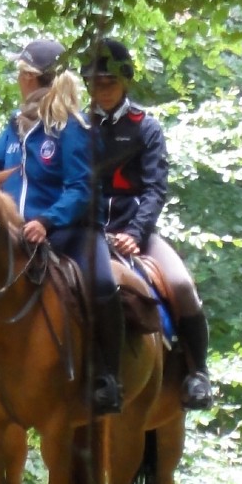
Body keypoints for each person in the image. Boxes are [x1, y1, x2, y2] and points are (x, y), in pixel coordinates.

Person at [0, 36, 126, 416]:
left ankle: (107, 377)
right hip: (15, 233)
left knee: (102, 284)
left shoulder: (72, 128)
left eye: (20, 72)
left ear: (31, 78)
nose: (17, 79)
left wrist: (47, 220)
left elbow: (81, 188)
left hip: (69, 232)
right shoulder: (14, 126)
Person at [84, 37, 213, 410]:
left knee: (181, 285)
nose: (101, 90)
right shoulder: (76, 128)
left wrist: (134, 234)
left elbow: (156, 189)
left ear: (125, 81)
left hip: (135, 230)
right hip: (86, 233)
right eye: (94, 83)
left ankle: (197, 373)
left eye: (108, 82)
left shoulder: (146, 128)